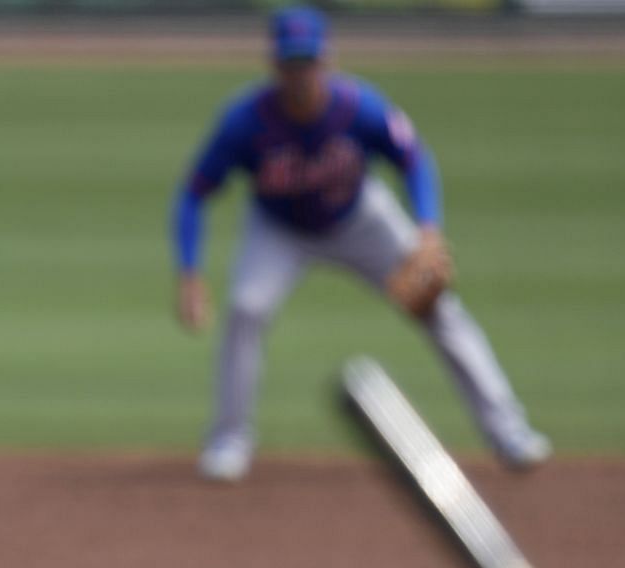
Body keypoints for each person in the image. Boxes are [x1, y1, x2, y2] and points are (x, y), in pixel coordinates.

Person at [173, 6, 551, 482]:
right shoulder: (245, 122)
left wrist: (427, 231)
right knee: (246, 310)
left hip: (359, 218)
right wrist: (189, 273)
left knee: (440, 309)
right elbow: (193, 194)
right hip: (278, 229)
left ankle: (509, 433)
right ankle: (229, 440)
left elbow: (413, 159)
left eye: (308, 61)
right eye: (291, 63)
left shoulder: (360, 108)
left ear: (327, 59)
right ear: (273, 65)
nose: (300, 73)